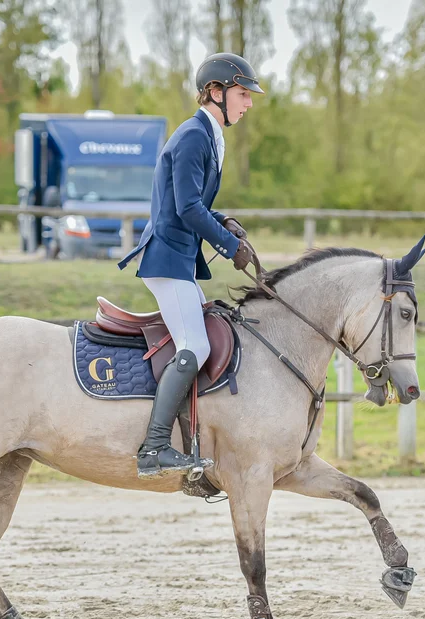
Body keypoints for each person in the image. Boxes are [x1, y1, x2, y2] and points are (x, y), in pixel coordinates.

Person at [117, 52, 263, 477]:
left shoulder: (207, 134)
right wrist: (227, 244)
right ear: (215, 93)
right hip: (167, 257)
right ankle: (154, 447)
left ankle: (189, 433)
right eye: (241, 94)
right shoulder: (195, 136)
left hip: (178, 257)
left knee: (202, 330)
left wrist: (224, 221)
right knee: (196, 346)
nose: (248, 103)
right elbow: (186, 208)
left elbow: (195, 203)